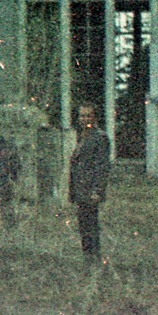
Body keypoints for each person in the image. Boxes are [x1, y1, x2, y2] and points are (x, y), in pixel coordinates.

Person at [68, 102, 111, 266]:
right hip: (80, 191)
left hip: (90, 191)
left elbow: (102, 166)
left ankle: (94, 260)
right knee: (84, 228)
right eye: (82, 115)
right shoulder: (82, 137)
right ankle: (88, 259)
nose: (84, 119)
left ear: (94, 117)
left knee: (91, 228)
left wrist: (97, 190)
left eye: (87, 115)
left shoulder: (99, 138)